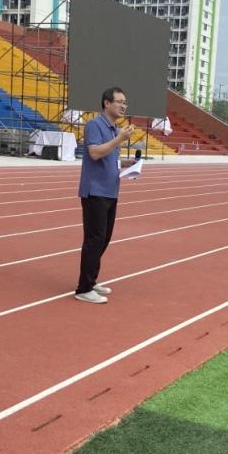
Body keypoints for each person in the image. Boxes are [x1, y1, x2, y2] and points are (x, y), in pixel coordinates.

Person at [74, 86, 137, 304]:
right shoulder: (95, 125)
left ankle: (91, 280)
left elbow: (109, 158)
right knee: (94, 239)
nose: (123, 106)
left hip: (110, 190)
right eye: (119, 101)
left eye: (125, 102)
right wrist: (119, 139)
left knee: (104, 238)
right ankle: (83, 288)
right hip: (95, 191)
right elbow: (94, 153)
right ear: (106, 103)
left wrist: (126, 164)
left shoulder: (114, 129)